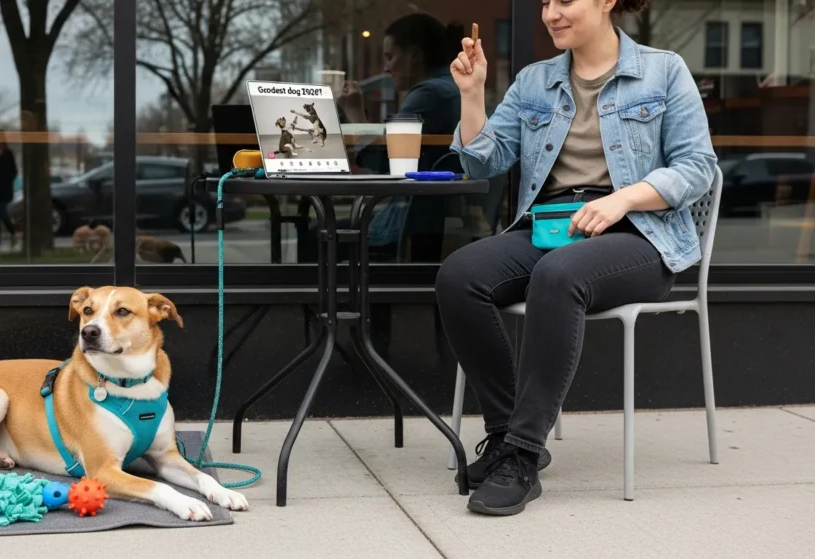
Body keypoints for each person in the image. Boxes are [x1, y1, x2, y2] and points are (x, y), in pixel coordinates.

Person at [436, 0, 716, 516]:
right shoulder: (535, 81)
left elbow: (697, 167)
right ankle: (504, 435)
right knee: (459, 275)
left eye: (564, 0)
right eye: (544, 2)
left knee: (558, 275)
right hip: (551, 229)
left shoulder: (663, 70)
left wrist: (622, 199)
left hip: (639, 236)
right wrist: (472, 95)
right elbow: (486, 159)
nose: (550, 13)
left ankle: (522, 453)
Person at [298, 13, 465, 263]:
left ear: (414, 56)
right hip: (438, 218)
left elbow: (387, 161)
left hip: (414, 224)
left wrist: (354, 112)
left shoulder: (429, 93)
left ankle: (342, 302)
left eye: (390, 57)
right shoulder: (454, 87)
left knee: (317, 235)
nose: (386, 68)